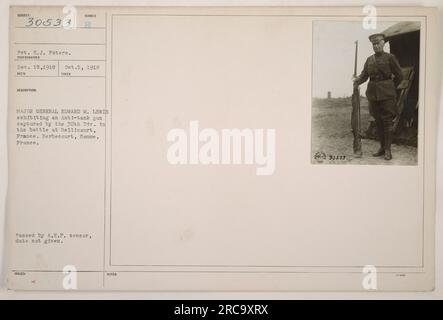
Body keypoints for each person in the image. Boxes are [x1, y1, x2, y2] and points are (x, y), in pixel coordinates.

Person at [353, 33, 404, 160]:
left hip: (387, 95)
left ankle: (388, 150)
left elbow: (400, 76)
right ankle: (381, 147)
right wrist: (357, 80)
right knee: (378, 122)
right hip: (373, 95)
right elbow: (364, 75)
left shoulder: (390, 58)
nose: (376, 46)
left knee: (387, 122)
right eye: (373, 44)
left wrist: (390, 87)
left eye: (378, 43)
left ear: (383, 43)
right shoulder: (369, 60)